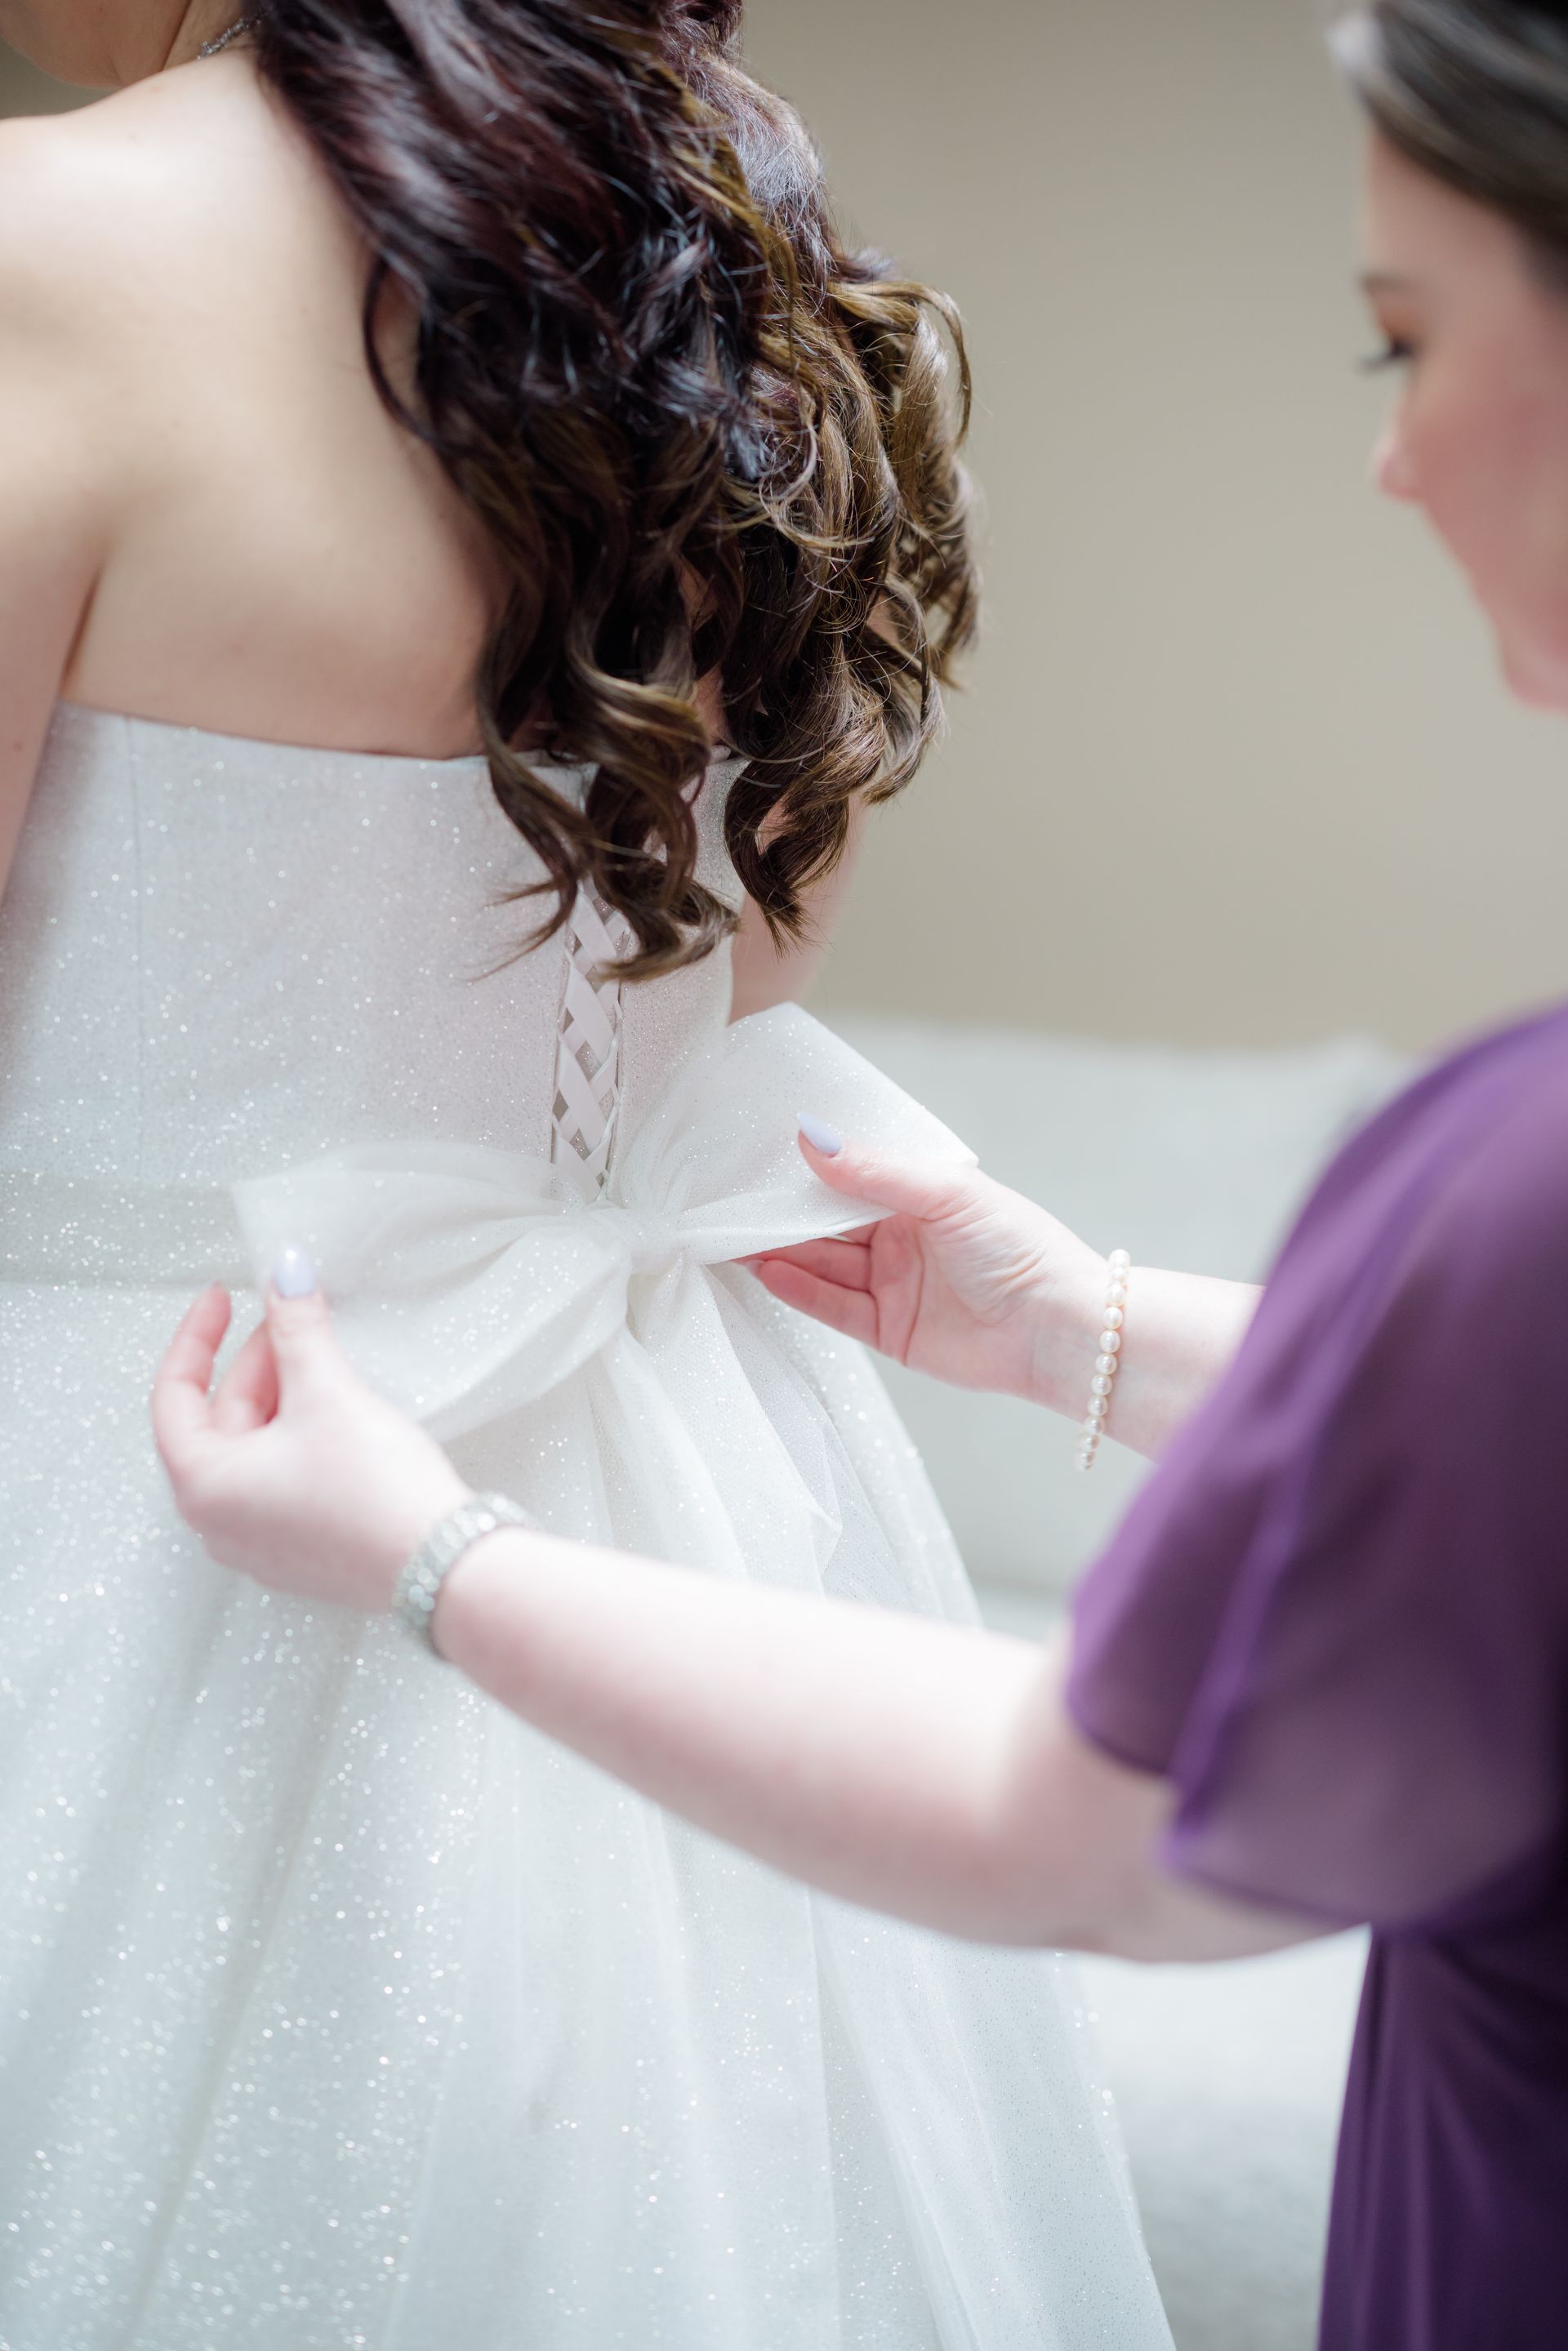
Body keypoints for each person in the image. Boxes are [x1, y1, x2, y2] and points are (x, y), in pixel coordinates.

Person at [153, 3, 1568, 2349]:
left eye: (1399, 344)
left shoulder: (1515, 1172)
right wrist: (1062, 1320)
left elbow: (1074, 1826)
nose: (1397, 464)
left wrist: (426, 1554)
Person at [0, 2, 1181, 2346]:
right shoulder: (718, 251)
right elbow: (743, 969)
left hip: (132, 1489)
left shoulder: (45, 241)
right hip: (707, 1506)